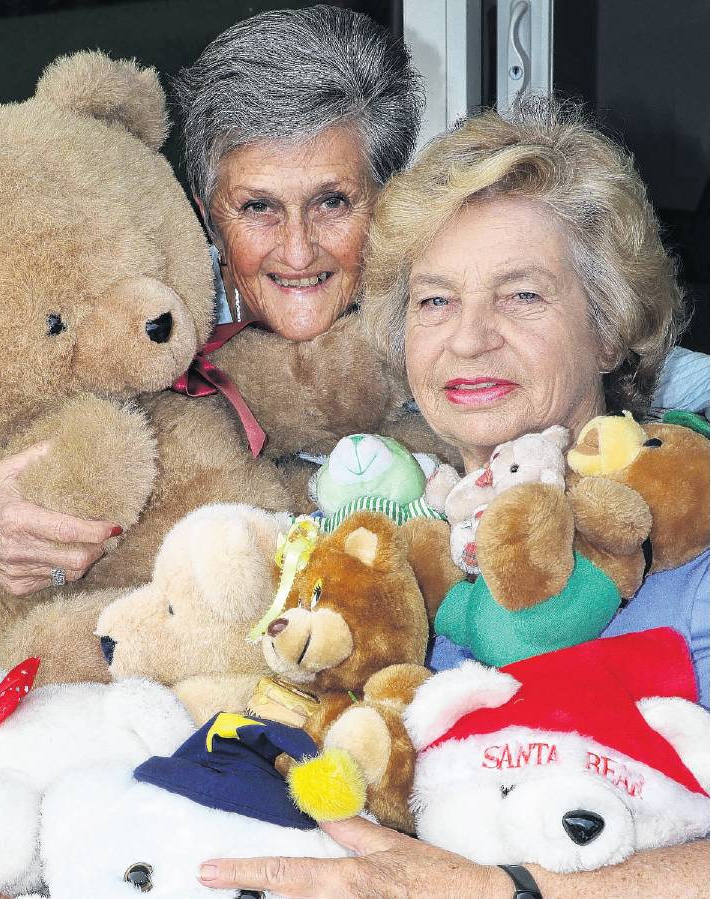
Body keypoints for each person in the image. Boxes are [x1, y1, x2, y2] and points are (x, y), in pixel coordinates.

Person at [0, 7, 429, 897]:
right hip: (117, 740)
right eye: (257, 207)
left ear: (387, 200)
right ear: (205, 215)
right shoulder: (149, 348)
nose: (297, 250)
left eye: (333, 203)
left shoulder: (441, 349)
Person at [198, 98, 709, 898]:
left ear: (609, 329)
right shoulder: (374, 562)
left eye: (522, 295)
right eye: (435, 300)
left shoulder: (688, 545)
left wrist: (505, 888)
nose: (469, 337)